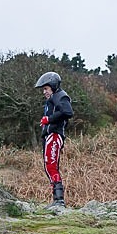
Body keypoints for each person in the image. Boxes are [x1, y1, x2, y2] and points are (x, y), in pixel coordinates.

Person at [35, 71, 73, 208]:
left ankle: (59, 200)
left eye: (46, 88)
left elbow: (68, 112)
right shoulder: (52, 99)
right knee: (48, 166)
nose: (44, 92)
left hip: (55, 135)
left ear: (53, 85)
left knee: (51, 165)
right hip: (50, 135)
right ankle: (56, 200)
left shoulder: (60, 96)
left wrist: (49, 119)